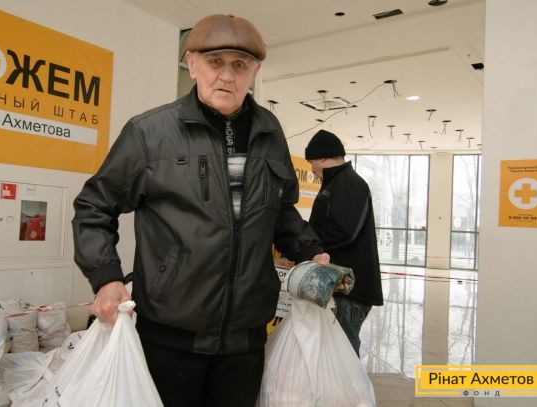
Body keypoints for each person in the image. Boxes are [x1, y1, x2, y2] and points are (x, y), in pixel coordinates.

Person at [72, 14, 329, 407]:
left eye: (240, 65)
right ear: (192, 64)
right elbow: (94, 205)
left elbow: (280, 210)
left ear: (255, 72)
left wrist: (311, 250)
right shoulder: (149, 133)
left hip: (245, 341)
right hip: (169, 339)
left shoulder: (270, 131)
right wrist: (106, 278)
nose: (227, 76)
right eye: (215, 62)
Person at [305, 129, 383, 357]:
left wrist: (307, 240)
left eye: (312, 162)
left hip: (349, 291)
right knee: (335, 355)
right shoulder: (337, 182)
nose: (312, 169)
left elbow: (344, 231)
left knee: (343, 357)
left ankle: (349, 384)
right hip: (341, 287)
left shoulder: (348, 183)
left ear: (322, 157)